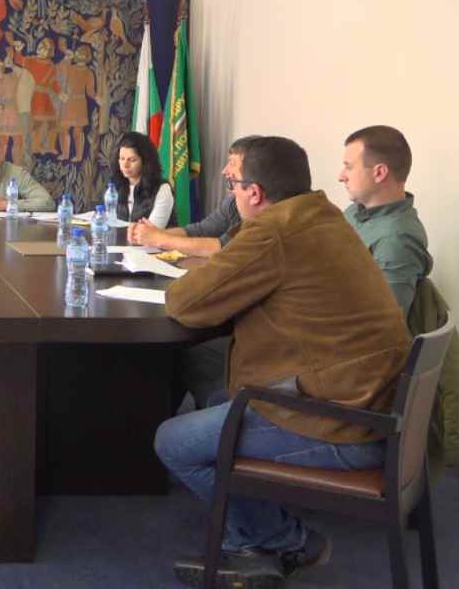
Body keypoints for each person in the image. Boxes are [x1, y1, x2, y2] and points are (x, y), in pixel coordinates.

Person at [155, 136, 411, 588]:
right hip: (371, 405)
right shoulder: (322, 216)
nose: (231, 192)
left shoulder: (274, 232)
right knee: (217, 399)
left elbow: (185, 302)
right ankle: (260, 538)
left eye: (233, 184)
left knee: (173, 440)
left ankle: (278, 542)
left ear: (254, 193)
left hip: (345, 422)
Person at [338, 125, 432, 313]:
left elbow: (384, 322)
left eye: (349, 167)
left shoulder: (396, 240)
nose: (341, 177)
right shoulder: (355, 212)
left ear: (379, 173)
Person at [129, 136, 257, 257]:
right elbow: (201, 230)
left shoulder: (262, 220)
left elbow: (222, 248)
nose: (224, 171)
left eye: (232, 163)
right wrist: (151, 234)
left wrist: (159, 239)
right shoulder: (233, 201)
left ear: (255, 193)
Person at [111, 131, 174, 227]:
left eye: (132, 160)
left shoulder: (162, 189)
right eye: (122, 158)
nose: (125, 165)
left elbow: (152, 232)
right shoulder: (115, 186)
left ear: (145, 161)